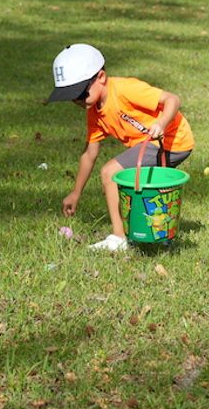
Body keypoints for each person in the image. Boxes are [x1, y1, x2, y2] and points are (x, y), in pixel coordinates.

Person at [48, 43, 194, 253]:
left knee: (110, 172)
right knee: (126, 183)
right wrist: (76, 192)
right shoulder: (94, 112)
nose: (78, 101)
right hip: (148, 144)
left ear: (101, 77)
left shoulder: (126, 89)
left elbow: (173, 99)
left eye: (81, 93)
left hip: (172, 140)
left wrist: (161, 124)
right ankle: (145, 231)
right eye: (71, 97)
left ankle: (119, 238)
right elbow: (90, 153)